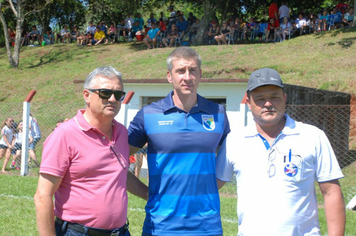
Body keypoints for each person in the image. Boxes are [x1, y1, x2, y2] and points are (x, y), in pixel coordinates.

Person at [216, 68, 346, 235]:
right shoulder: (235, 141)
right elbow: (211, 186)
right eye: (260, 99)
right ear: (248, 103)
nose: (268, 103)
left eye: (274, 97)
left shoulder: (313, 136)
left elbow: (331, 193)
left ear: (284, 99)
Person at [128, 47, 230, 235]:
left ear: (200, 75)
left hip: (207, 226)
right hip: (161, 226)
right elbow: (116, 160)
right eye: (180, 71)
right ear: (169, 76)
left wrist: (206, 192)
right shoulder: (148, 115)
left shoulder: (218, 114)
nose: (187, 76)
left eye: (192, 70)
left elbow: (229, 161)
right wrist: (147, 193)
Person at [34, 66, 146, 236]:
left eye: (118, 94)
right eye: (105, 93)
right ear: (86, 95)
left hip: (121, 232)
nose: (112, 99)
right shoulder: (65, 135)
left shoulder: (122, 133)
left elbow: (118, 173)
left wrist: (152, 195)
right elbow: (43, 196)